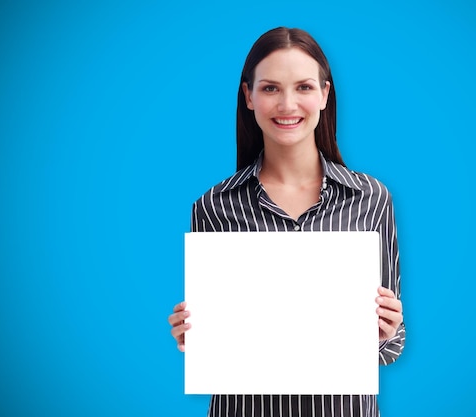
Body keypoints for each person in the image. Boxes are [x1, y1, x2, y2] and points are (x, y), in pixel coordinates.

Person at [168, 26, 405, 417]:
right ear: (248, 96)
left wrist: (385, 331)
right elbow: (219, 343)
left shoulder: (371, 199)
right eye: (271, 88)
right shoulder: (213, 206)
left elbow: (391, 346)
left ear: (325, 95)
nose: (287, 104)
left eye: (304, 87)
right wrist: (194, 334)